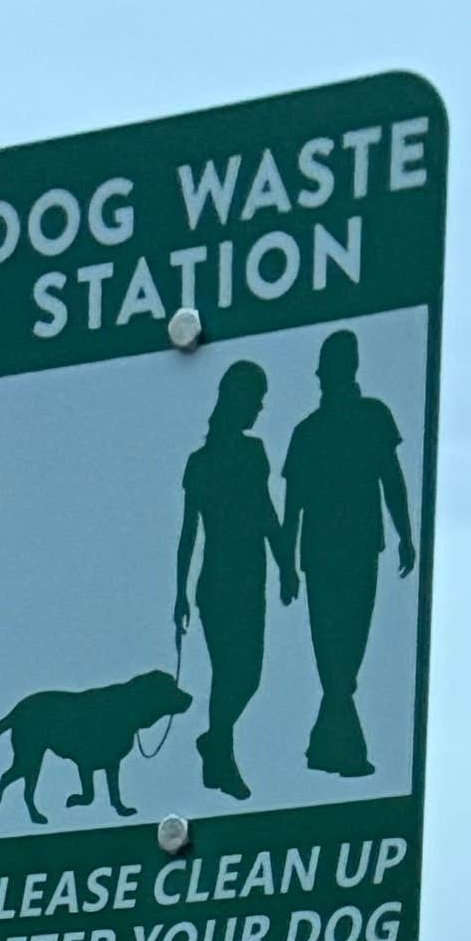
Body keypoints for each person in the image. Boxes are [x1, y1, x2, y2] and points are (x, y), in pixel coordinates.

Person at [277, 330, 416, 783]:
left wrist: (406, 535)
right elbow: (292, 503)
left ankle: (328, 743)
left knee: (349, 647)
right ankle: (345, 749)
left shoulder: (374, 417)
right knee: (330, 648)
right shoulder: (307, 432)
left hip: (360, 548)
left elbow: (390, 480)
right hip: (319, 555)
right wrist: (285, 566)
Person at [169, 362, 291, 805]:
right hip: (217, 581)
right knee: (229, 675)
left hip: (250, 576)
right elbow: (189, 534)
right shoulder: (200, 463)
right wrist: (179, 592)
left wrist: (285, 565)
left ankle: (215, 741)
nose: (260, 408)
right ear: (235, 399)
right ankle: (223, 755)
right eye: (255, 398)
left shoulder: (255, 452)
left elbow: (266, 513)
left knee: (249, 675)